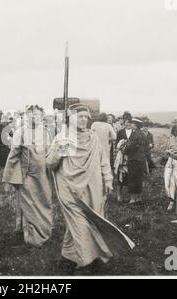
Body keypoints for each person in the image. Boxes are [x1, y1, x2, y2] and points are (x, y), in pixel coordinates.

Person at [46, 103, 135, 269]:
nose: (84, 120)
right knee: (80, 223)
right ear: (71, 118)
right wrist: (59, 149)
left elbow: (103, 161)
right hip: (70, 189)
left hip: (93, 188)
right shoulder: (62, 138)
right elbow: (51, 164)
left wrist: (108, 180)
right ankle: (86, 262)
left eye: (86, 117)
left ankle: (68, 255)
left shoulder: (93, 138)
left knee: (83, 222)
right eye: (80, 116)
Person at [3, 105, 54, 247]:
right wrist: (9, 177)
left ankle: (43, 230)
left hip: (43, 175)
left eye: (37, 114)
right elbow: (13, 155)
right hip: (28, 175)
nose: (34, 117)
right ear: (26, 116)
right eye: (31, 114)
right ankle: (29, 236)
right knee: (28, 204)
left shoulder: (46, 132)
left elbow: (49, 152)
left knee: (44, 201)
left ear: (42, 116)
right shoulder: (21, 132)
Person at [125, 118, 147, 204]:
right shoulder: (142, 134)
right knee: (139, 178)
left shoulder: (134, 134)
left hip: (133, 159)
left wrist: (125, 150)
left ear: (136, 125)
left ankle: (132, 199)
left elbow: (131, 147)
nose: (131, 125)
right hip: (141, 159)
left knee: (132, 178)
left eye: (133, 124)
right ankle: (139, 197)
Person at [114, 118, 133, 202]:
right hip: (122, 156)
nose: (128, 124)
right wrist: (121, 147)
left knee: (131, 175)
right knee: (120, 175)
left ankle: (131, 196)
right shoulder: (120, 132)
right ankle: (119, 195)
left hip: (131, 156)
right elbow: (116, 145)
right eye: (126, 122)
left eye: (130, 122)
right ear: (124, 123)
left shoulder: (134, 132)